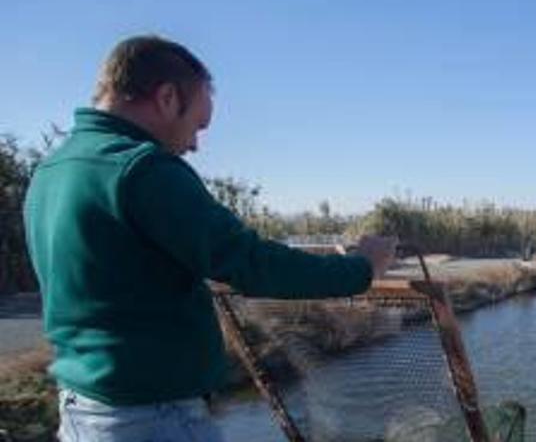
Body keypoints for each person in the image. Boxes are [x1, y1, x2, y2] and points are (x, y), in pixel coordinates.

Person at [23, 35, 397, 441]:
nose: (195, 145)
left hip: (83, 410)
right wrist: (361, 267)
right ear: (167, 98)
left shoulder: (54, 169)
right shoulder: (142, 169)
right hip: (152, 417)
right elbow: (250, 262)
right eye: (198, 125)